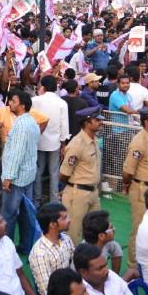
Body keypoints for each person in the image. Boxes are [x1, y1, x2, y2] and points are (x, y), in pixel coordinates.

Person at [122, 106, 148, 264]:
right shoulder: (139, 142)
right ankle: (133, 265)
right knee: (139, 228)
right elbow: (128, 170)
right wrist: (127, 185)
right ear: (147, 122)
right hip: (141, 189)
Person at [0, 89, 40, 244]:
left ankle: (6, 246)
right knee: (26, 213)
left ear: (22, 106)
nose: (9, 103)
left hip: (16, 178)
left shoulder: (22, 124)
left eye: (13, 101)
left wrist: (8, 177)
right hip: (27, 175)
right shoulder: (31, 121)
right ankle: (26, 244)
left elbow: (17, 153)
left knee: (8, 214)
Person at [59, 105, 103, 245]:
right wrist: (74, 187)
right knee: (73, 235)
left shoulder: (93, 140)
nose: (100, 122)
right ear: (87, 122)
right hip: (78, 194)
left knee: (96, 231)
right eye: (97, 120)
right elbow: (64, 174)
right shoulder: (77, 144)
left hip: (93, 193)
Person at [31, 76, 69, 206]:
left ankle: (37, 200)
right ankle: (54, 200)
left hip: (38, 140)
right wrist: (63, 144)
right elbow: (64, 126)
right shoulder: (62, 103)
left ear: (43, 86)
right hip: (55, 142)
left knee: (38, 170)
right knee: (54, 172)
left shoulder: (35, 100)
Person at [28, 202, 75, 295]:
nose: (69, 220)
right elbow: (47, 290)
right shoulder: (40, 253)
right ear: (53, 225)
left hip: (71, 289)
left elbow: (74, 265)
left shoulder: (66, 239)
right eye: (64, 218)